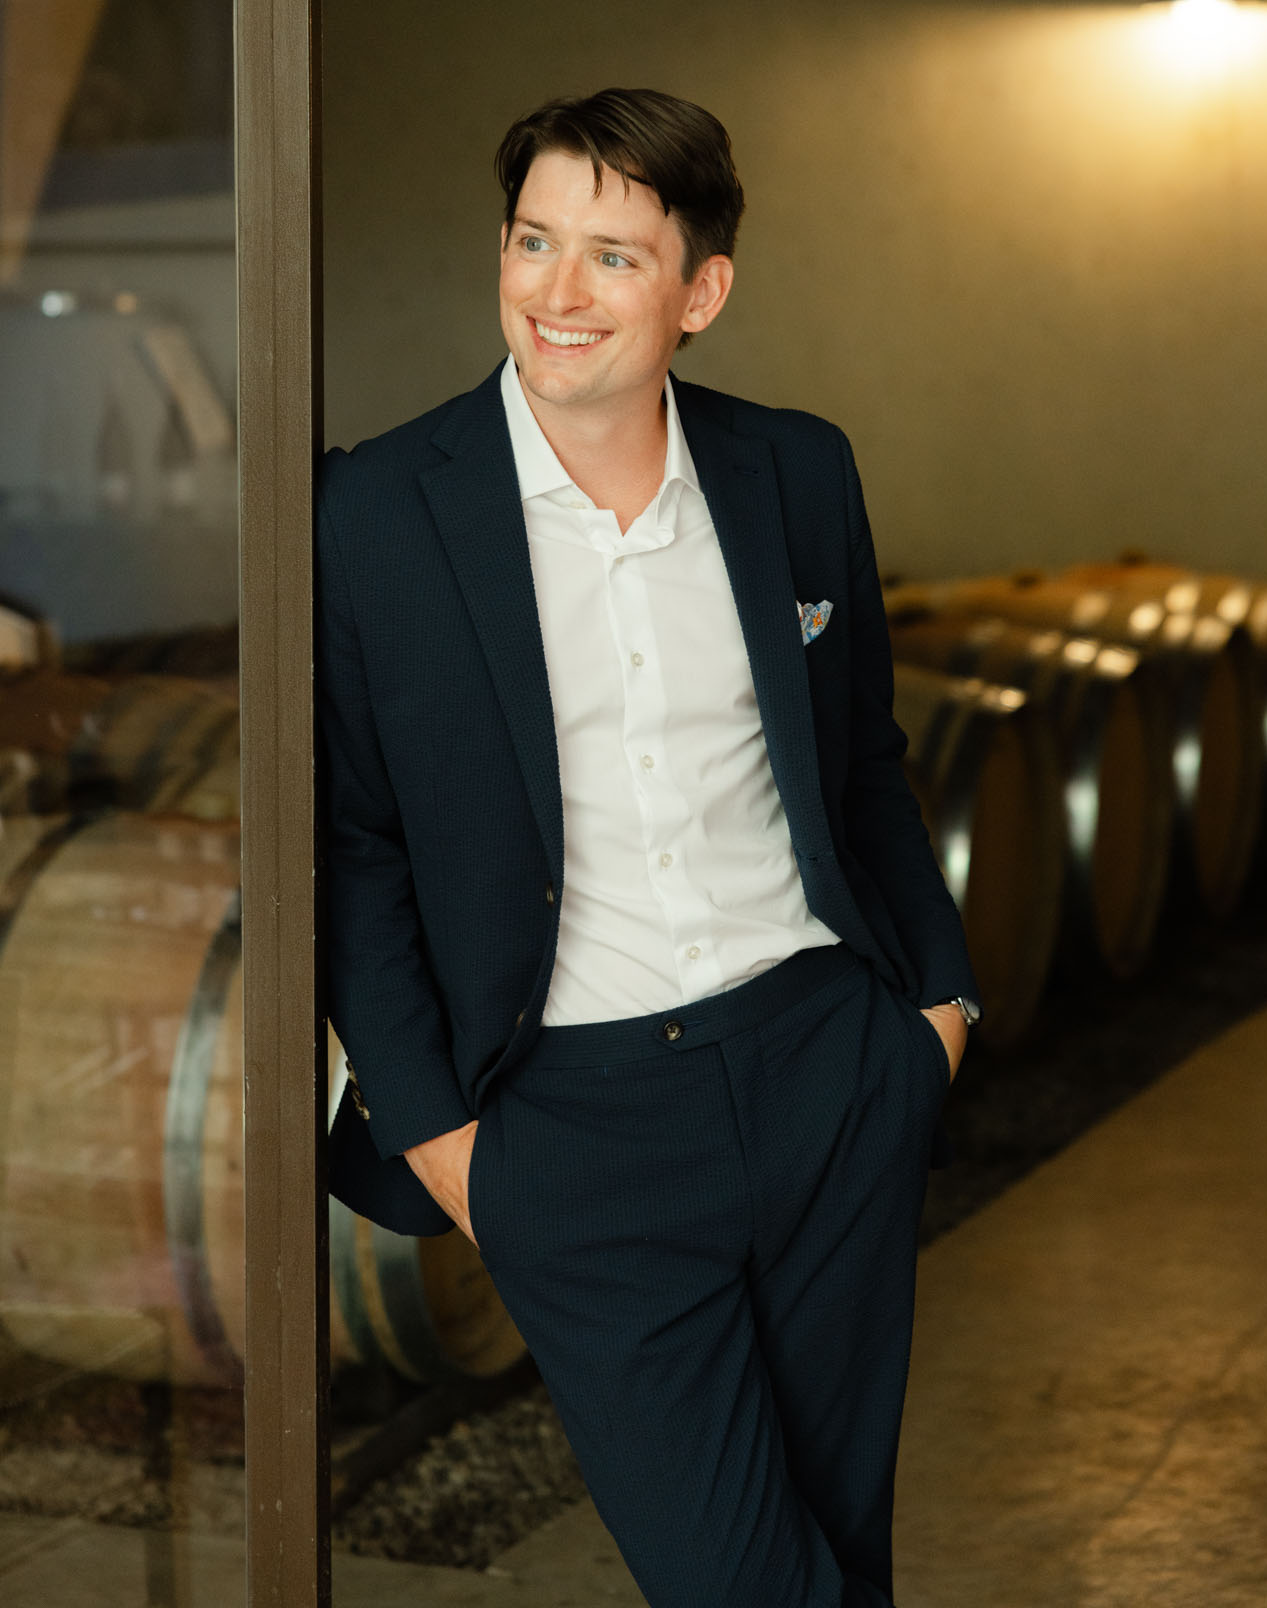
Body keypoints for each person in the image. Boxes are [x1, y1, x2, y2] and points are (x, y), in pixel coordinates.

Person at [317, 87, 980, 1608]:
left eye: (613, 257)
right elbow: (353, 848)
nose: (557, 293)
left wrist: (931, 1019)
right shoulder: (371, 515)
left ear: (700, 292)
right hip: (572, 1123)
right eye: (533, 240)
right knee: (739, 1580)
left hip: (825, 1069)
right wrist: (448, 1147)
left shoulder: (794, 472)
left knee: (840, 1553)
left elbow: (863, 762)